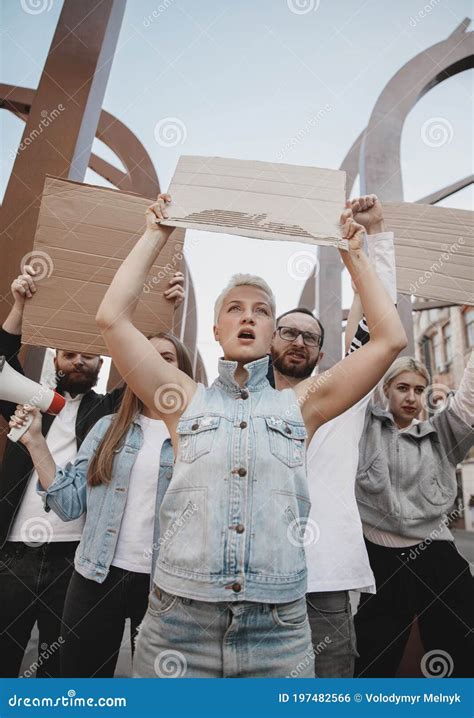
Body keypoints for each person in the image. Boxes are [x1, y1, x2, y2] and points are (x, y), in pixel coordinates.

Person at [94, 191, 407, 678]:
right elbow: (112, 318)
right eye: (235, 309)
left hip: (279, 632)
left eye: (261, 310)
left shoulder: (305, 405)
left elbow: (389, 339)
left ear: (270, 333)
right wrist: (155, 234)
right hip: (178, 626)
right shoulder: (183, 399)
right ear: (217, 330)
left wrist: (355, 254)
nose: (247, 316)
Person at [0, 266, 184, 677]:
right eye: (70, 354)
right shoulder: (29, 401)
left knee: (61, 673)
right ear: (55, 359)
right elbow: (0, 364)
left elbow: (149, 365)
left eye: (89, 355)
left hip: (76, 560)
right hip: (12, 554)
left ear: (104, 362)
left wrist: (163, 313)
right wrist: (19, 305)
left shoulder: (110, 414)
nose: (80, 361)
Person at [270, 194, 397, 677]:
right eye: (288, 332)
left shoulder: (343, 401)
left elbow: (377, 326)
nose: (299, 341)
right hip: (251, 584)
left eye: (311, 337)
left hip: (324, 582)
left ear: (323, 355)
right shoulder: (240, 404)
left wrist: (374, 240)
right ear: (271, 342)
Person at [354, 353, 474, 677]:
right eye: (402, 388)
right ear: (386, 390)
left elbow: (468, 402)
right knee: (372, 655)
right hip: (380, 557)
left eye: (419, 390)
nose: (411, 397)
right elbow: (354, 373)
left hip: (436, 553)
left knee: (462, 645)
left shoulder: (442, 433)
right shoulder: (361, 429)